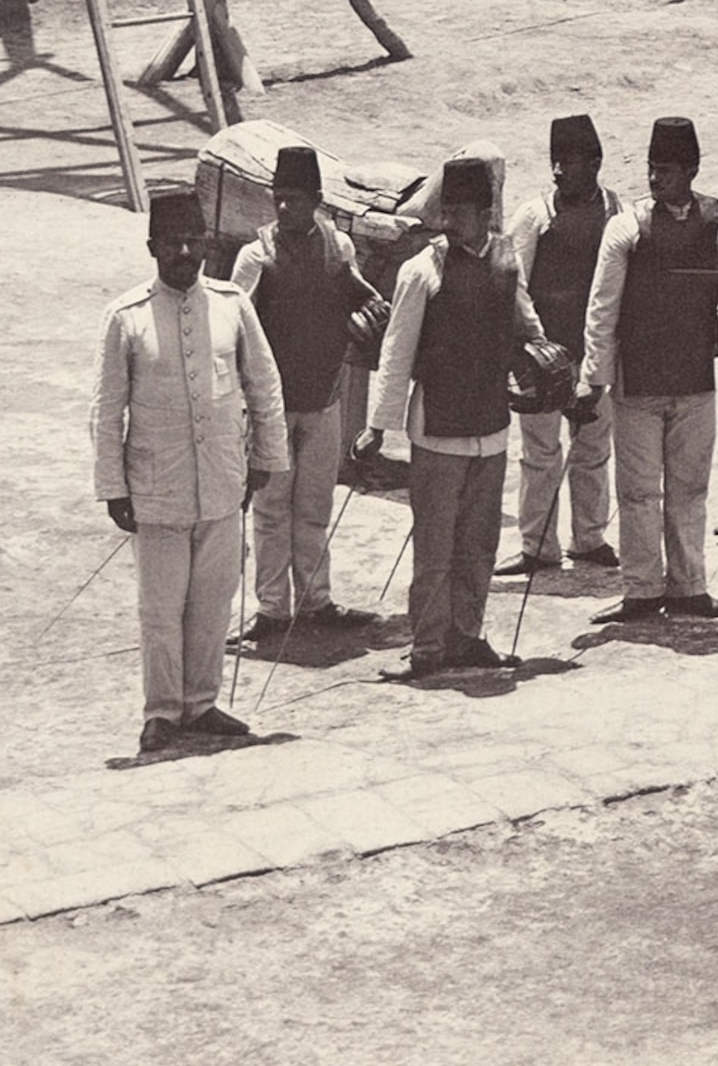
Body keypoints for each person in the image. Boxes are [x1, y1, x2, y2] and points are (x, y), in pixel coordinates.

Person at [92, 189, 286, 752]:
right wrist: (112, 487)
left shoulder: (230, 304)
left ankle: (201, 703)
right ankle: (162, 712)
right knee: (160, 608)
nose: (184, 252)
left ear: (205, 244)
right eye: (172, 243)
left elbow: (264, 384)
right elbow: (106, 410)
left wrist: (267, 458)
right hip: (156, 489)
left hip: (224, 482)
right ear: (152, 247)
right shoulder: (126, 319)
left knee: (212, 602)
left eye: (193, 242)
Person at [368, 157, 560, 678]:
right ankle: (428, 646)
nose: (454, 221)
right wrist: (377, 427)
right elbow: (397, 351)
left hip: (491, 427)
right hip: (437, 429)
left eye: (464, 211)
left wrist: (549, 363)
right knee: (435, 547)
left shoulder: (506, 260)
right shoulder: (420, 271)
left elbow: (526, 323)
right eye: (447, 211)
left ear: (484, 212)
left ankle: (467, 636)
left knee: (479, 545)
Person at [582, 117, 718, 626]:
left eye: (667, 170)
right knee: (636, 493)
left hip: (695, 381)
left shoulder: (714, 222)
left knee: (690, 490)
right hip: (639, 383)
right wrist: (594, 379)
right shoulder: (627, 227)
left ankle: (689, 587)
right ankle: (640, 590)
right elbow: (602, 308)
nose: (656, 179)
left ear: (692, 170)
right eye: (652, 169)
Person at [227, 142, 383, 641]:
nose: (285, 207)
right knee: (272, 510)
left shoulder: (338, 248)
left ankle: (316, 601)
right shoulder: (256, 257)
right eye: (279, 197)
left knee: (315, 505)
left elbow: (365, 297)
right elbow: (232, 329)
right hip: (271, 408)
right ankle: (272, 609)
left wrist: (369, 316)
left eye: (295, 198)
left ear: (317, 199)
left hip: (324, 396)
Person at [501, 113, 620, 575]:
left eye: (568, 161)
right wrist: (535, 344)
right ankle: (537, 546)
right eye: (554, 161)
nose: (558, 171)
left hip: (596, 356)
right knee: (539, 454)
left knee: (592, 450)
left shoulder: (617, 212)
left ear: (594, 163)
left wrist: (603, 355)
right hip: (542, 359)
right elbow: (515, 283)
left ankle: (589, 539)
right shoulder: (534, 216)